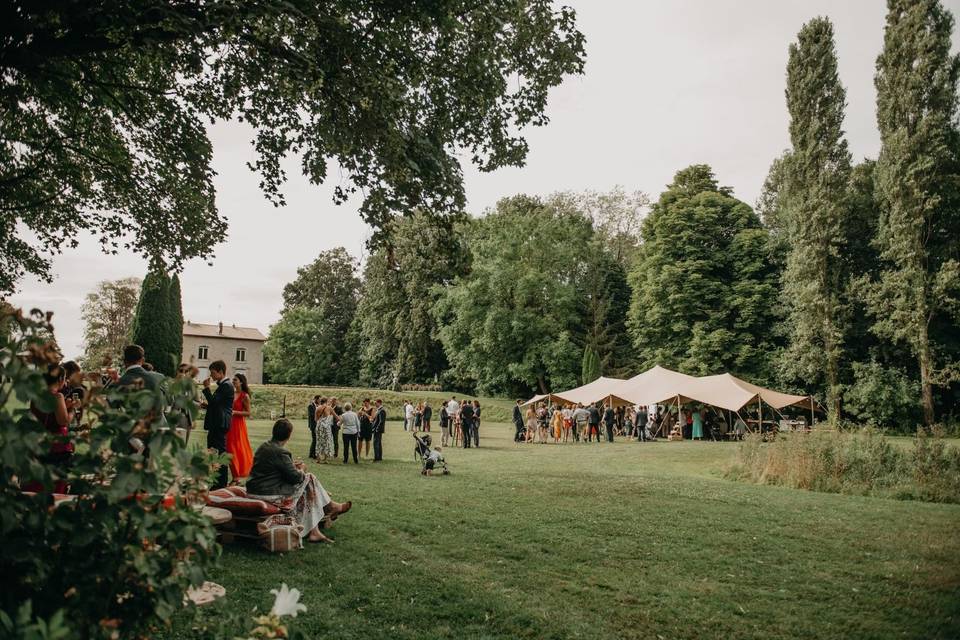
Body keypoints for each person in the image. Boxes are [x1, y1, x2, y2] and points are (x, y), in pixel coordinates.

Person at [246, 418, 352, 543]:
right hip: (267, 492)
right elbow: (296, 478)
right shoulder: (281, 452)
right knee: (309, 478)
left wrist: (291, 465)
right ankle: (331, 507)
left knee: (309, 486)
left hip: (254, 489)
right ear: (289, 435)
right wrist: (301, 469)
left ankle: (316, 529)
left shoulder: (265, 446)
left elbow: (272, 471)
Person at [26, 363, 76, 493]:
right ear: (60, 379)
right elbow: (63, 421)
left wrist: (64, 406)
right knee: (55, 485)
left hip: (38, 443)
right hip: (55, 446)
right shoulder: (57, 396)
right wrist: (72, 410)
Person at [201, 360, 234, 489]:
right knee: (214, 453)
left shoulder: (226, 385)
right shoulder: (224, 385)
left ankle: (220, 484)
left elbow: (215, 403)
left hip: (220, 424)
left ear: (220, 372)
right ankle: (216, 482)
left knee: (219, 454)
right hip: (218, 423)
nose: (211, 375)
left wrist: (206, 388)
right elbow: (216, 405)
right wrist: (207, 406)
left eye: (213, 373)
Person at [227, 374, 254, 482]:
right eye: (233, 380)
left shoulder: (244, 396)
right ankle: (235, 475)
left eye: (235, 380)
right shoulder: (231, 394)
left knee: (236, 449)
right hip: (229, 424)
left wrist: (235, 412)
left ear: (241, 382)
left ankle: (236, 477)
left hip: (238, 425)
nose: (233, 381)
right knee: (229, 449)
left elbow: (248, 413)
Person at [175, 363, 200, 442]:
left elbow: (198, 404)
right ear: (177, 372)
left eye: (186, 372)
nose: (183, 373)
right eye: (181, 371)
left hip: (185, 419)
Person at [316, 397, 335, 463]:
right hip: (326, 427)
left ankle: (318, 459)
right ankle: (325, 459)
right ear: (326, 401)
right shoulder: (329, 408)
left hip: (319, 426)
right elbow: (336, 417)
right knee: (327, 442)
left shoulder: (317, 408)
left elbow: (316, 419)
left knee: (319, 441)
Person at [307, 395, 320, 460]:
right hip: (313, 425)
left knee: (315, 440)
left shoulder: (317, 406)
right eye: (319, 399)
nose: (319, 401)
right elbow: (311, 415)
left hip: (317, 425)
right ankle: (313, 454)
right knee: (315, 439)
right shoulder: (310, 406)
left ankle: (311, 454)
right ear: (316, 399)